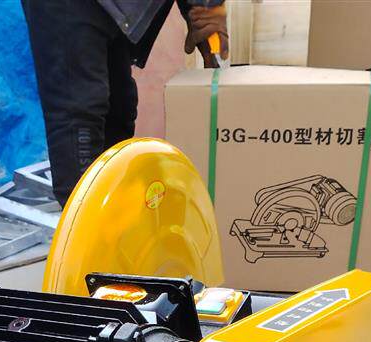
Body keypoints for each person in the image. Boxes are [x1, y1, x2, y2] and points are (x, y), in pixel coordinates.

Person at [21, 0, 228, 207]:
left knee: (120, 109)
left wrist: (203, 9)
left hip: (111, 11)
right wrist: (207, 7)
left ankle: (112, 208)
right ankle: (85, 216)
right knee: (80, 113)